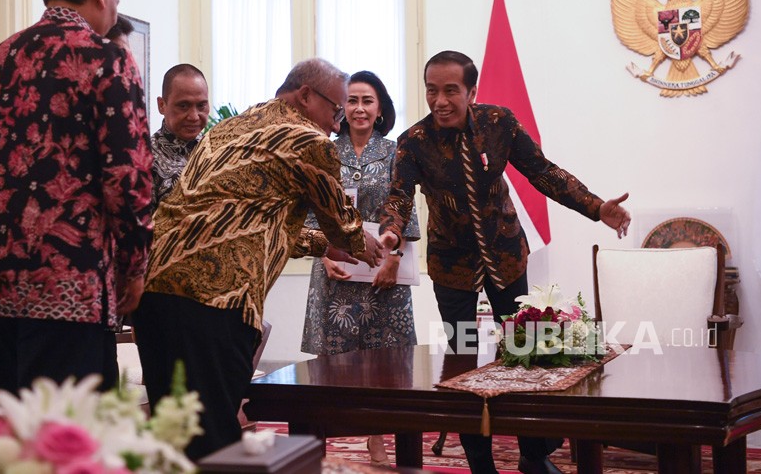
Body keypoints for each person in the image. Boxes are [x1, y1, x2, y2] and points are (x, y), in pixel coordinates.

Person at [379, 50, 631, 474]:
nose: (440, 101)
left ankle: (535, 455)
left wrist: (595, 207)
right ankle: (481, 464)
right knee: (462, 364)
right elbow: (400, 196)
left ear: (472, 92)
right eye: (431, 91)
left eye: (451, 91)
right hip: (452, 265)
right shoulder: (413, 142)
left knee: (527, 352)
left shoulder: (499, 124)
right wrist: (389, 229)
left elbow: (544, 173)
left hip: (506, 256)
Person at [134, 58, 385, 460]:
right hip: (214, 302)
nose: (337, 124)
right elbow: (343, 225)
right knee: (212, 437)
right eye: (335, 110)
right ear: (305, 96)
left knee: (168, 429)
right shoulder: (309, 140)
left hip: (156, 295)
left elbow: (249, 224)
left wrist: (323, 245)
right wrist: (359, 243)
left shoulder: (234, 126)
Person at [0, 0, 152, 394]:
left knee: (11, 445)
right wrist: (135, 267)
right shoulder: (107, 61)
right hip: (67, 286)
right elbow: (128, 179)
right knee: (68, 448)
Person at [300, 70, 419, 466]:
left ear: (380, 106)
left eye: (367, 100)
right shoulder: (323, 149)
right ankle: (319, 440)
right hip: (339, 274)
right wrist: (323, 255)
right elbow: (308, 213)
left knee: (389, 366)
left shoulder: (396, 152)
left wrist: (394, 258)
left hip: (386, 273)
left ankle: (378, 436)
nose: (359, 108)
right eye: (351, 100)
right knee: (332, 368)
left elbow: (405, 208)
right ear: (341, 107)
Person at [151, 64, 210, 207]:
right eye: (183, 106)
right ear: (161, 105)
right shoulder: (147, 159)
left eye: (201, 106)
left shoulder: (216, 150)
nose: (194, 116)